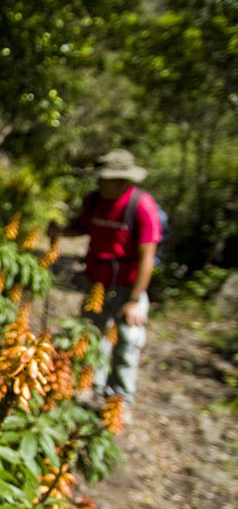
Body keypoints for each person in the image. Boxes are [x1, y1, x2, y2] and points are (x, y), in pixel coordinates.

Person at [50, 149, 163, 410]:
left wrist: (134, 300)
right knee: (90, 336)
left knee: (127, 343)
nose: (99, 183)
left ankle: (119, 402)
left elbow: (148, 257)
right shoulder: (94, 200)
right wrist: (61, 232)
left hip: (128, 286)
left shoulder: (141, 206)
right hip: (95, 282)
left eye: (105, 179)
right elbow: (84, 227)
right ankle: (90, 390)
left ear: (122, 180)